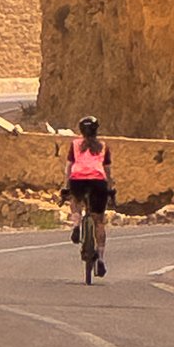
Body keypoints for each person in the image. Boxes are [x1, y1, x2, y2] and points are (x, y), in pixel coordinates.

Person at [64, 119, 112, 278]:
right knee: (99, 221)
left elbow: (69, 167)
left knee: (75, 201)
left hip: (78, 180)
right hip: (98, 182)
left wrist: (66, 186)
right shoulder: (104, 146)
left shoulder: (75, 144)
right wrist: (109, 188)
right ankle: (101, 259)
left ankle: (76, 224)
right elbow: (107, 170)